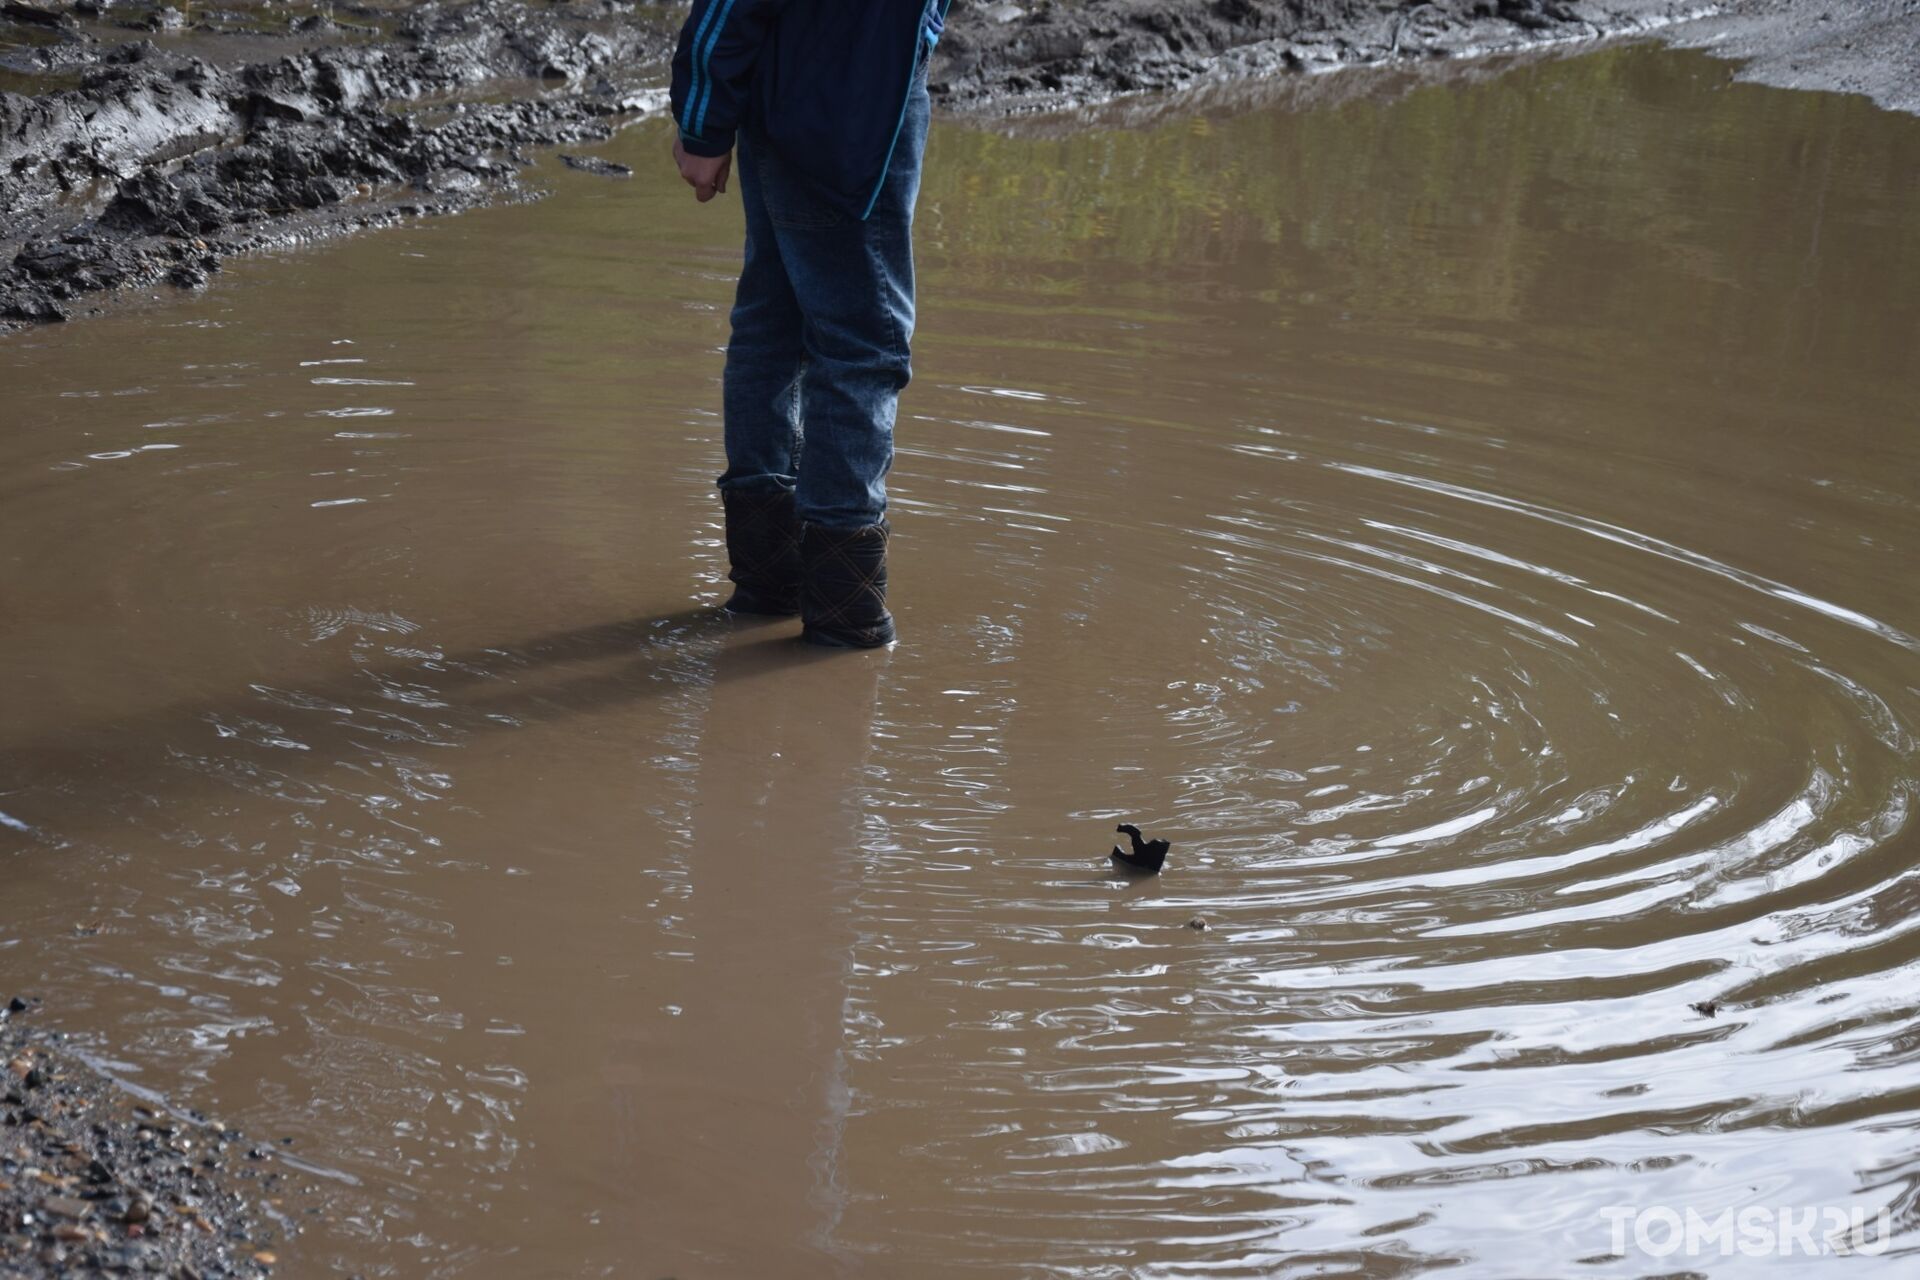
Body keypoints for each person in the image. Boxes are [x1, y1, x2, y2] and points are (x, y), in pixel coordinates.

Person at [669, 0, 951, 649]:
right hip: (843, 110)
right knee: (862, 344)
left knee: (776, 320)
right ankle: (843, 616)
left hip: (830, 85)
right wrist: (704, 122)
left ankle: (772, 583)